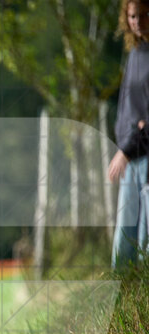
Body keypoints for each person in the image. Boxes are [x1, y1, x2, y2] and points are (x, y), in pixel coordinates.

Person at [110, 0, 149, 269]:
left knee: (146, 238)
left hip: (143, 156)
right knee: (124, 237)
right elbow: (128, 109)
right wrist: (124, 144)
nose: (137, 21)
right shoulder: (135, 53)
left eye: (144, 15)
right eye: (133, 16)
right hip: (131, 155)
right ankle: (122, 302)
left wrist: (127, 148)